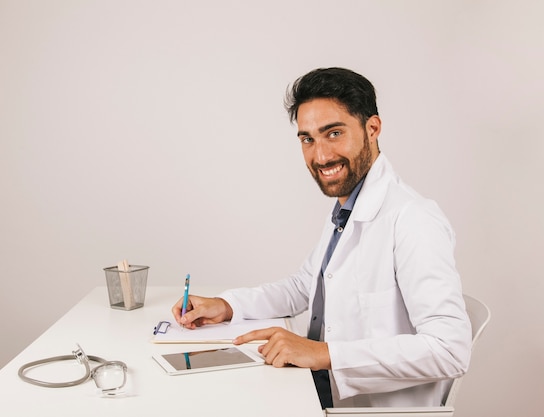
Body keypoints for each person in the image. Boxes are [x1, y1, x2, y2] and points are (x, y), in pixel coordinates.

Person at [172, 67, 472, 409]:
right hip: (312, 393)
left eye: (334, 133)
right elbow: (305, 286)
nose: (321, 156)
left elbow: (450, 350)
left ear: (372, 128)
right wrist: (227, 306)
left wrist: (323, 353)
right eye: (307, 139)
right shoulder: (348, 207)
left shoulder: (413, 219)